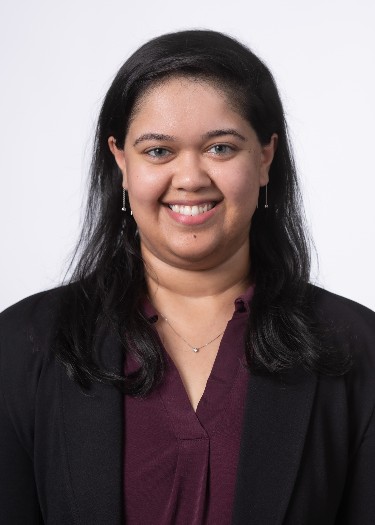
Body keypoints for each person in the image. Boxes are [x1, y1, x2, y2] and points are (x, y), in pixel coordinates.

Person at [0, 29, 374, 525]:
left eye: (221, 148)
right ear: (121, 162)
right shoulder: (24, 345)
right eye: (158, 151)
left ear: (264, 157)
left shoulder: (355, 346)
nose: (191, 177)